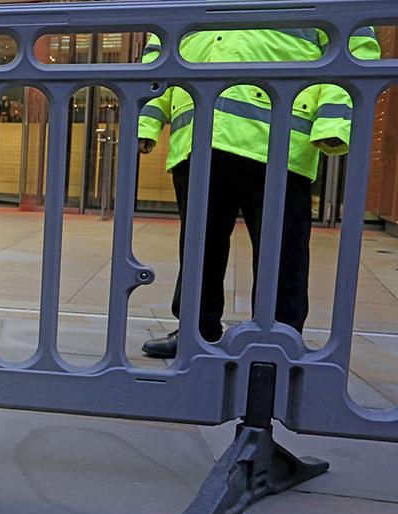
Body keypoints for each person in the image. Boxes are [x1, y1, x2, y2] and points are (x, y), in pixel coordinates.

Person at [138, 28, 381, 358]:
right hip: (200, 133)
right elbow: (160, 51)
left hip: (279, 139)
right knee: (199, 246)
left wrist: (333, 122)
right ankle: (196, 330)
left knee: (281, 250)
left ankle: (278, 337)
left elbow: (353, 43)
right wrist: (147, 120)